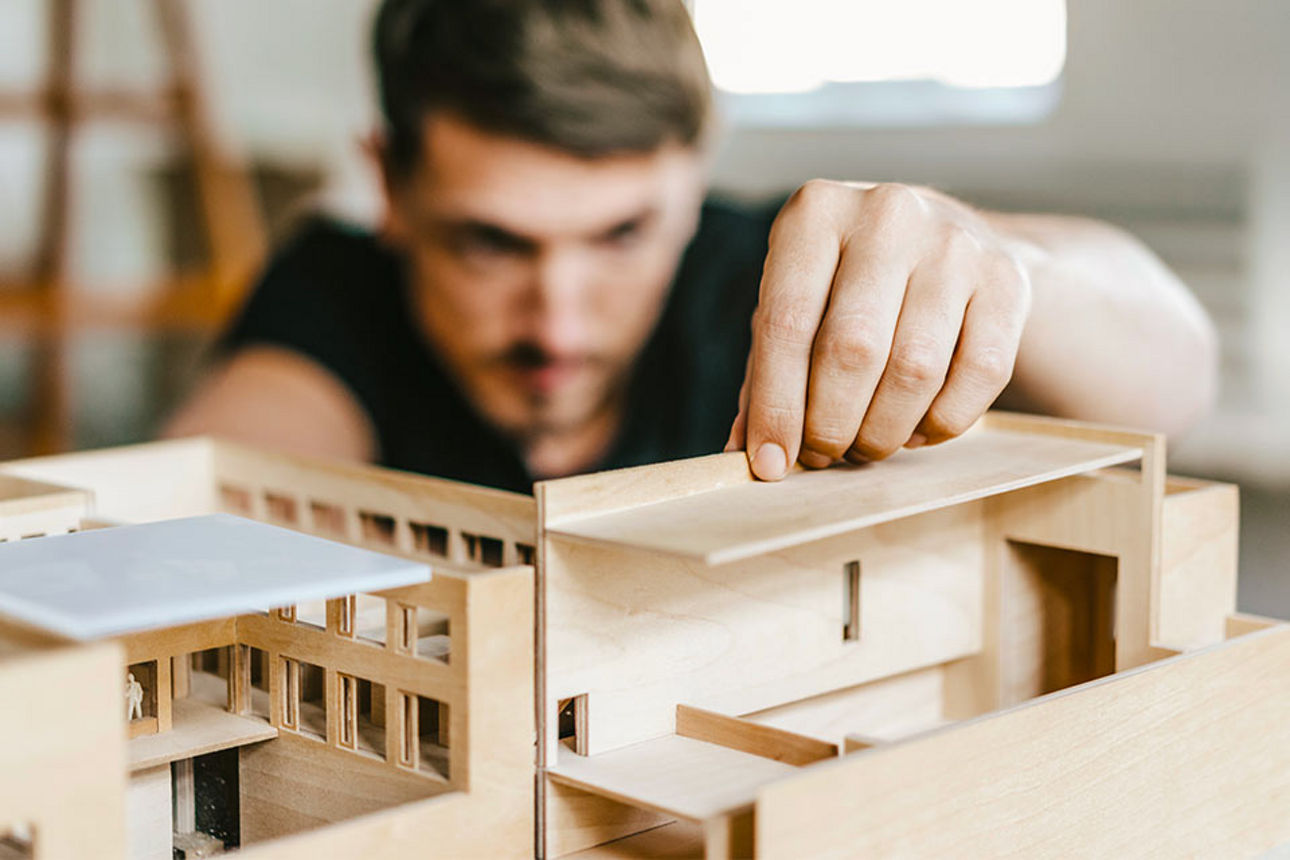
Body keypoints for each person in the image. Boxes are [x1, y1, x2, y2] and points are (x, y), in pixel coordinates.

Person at [164, 0, 1217, 494]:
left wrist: (1006, 267)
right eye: (491, 244)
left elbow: (1179, 378)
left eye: (623, 234)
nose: (558, 322)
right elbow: (200, 484)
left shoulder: (775, 272)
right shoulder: (337, 285)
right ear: (389, 182)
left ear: (696, 166)